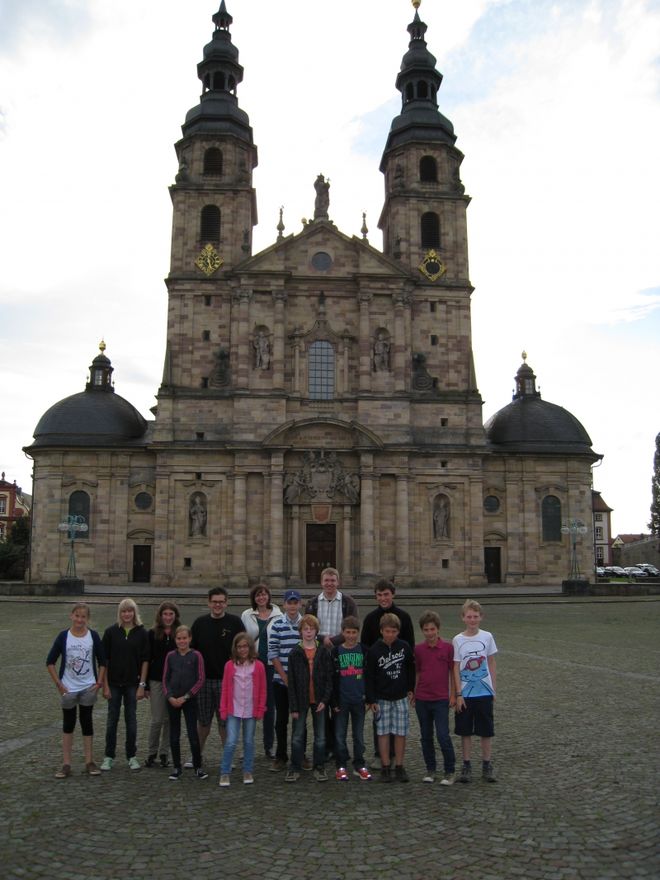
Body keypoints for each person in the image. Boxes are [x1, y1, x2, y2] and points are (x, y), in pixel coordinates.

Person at [46, 602, 106, 778]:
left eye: (83, 616)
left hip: (88, 687)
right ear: (71, 616)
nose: (80, 619)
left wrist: (99, 682)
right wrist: (59, 684)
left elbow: (103, 661)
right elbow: (50, 662)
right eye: (77, 616)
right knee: (68, 724)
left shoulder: (93, 636)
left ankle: (89, 761)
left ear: (87, 619)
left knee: (87, 723)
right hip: (68, 688)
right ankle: (66, 763)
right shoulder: (63, 636)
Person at [360, 578, 414, 767]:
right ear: (375, 596)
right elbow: (364, 646)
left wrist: (410, 685)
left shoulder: (405, 617)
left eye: (386, 594)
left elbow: (410, 650)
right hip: (379, 677)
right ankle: (380, 754)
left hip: (398, 676)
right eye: (379, 595)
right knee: (380, 719)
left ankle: (395, 755)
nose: (383, 598)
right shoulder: (370, 619)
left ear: (393, 594)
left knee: (398, 721)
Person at [305, 567, 358, 759]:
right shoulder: (312, 604)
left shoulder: (348, 602)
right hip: (317, 658)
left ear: (338, 582)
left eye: (332, 581)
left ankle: (338, 746)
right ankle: (326, 745)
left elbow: (352, 626)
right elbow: (307, 627)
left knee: (338, 704)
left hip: (341, 657)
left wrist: (332, 641)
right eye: (326, 580)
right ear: (321, 582)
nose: (329, 584)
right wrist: (321, 638)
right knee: (321, 703)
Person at [190, 586, 245, 759]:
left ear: (227, 603)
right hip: (203, 681)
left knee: (225, 722)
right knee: (203, 722)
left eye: (221, 602)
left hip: (227, 681)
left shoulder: (235, 623)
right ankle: (196, 755)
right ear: (209, 603)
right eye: (214, 602)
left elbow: (243, 650)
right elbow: (192, 652)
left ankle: (228, 755)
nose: (218, 605)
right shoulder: (199, 623)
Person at [365, 612, 415, 783]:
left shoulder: (404, 647)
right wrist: (371, 699)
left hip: (400, 696)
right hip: (382, 698)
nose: (390, 634)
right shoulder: (373, 651)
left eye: (394, 631)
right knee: (383, 733)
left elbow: (410, 668)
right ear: (381, 631)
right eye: (387, 631)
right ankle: (385, 766)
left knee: (401, 732)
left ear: (398, 631)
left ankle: (399, 766)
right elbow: (369, 676)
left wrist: (410, 688)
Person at [100, 598, 149, 772]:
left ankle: (132, 756)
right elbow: (104, 661)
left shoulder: (142, 633)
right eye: (124, 611)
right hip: (113, 682)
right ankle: (109, 756)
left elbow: (145, 661)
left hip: (132, 683)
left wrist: (142, 685)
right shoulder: (111, 632)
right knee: (112, 720)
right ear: (119, 613)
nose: (127, 614)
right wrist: (104, 685)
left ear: (135, 613)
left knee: (131, 720)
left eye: (130, 611)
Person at [453, 599, 498, 783]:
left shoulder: (487, 637)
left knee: (486, 730)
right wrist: (458, 693)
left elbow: (491, 662)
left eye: (475, 616)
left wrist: (493, 688)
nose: (472, 620)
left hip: (484, 691)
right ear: (463, 618)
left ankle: (487, 764)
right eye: (469, 616)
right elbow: (455, 667)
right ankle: (466, 764)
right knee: (465, 731)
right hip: (465, 694)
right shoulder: (458, 640)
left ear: (481, 617)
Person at [285, 614, 333, 783]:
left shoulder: (323, 652)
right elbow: (291, 682)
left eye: (311, 629)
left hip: (319, 700)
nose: (308, 632)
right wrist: (293, 707)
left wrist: (325, 700)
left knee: (320, 736)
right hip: (301, 700)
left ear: (316, 631)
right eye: (305, 629)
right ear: (300, 632)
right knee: (297, 735)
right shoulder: (295, 653)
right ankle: (295, 767)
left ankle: (319, 766)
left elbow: (329, 679)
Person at [218, 633, 267, 786]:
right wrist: (223, 709)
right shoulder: (229, 665)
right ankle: (225, 772)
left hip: (251, 710)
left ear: (250, 647)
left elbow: (263, 689)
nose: (242, 649)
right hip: (234, 708)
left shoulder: (258, 666)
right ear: (235, 649)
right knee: (231, 741)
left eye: (245, 646)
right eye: (239, 647)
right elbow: (225, 688)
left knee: (248, 741)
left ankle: (247, 770)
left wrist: (260, 709)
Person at [414, 610, 456, 784]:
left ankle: (450, 770)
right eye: (426, 630)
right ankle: (430, 769)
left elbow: (453, 673)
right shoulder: (419, 649)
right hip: (422, 698)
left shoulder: (448, 648)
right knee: (425, 736)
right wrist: (414, 692)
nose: (430, 633)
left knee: (443, 735)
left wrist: (453, 694)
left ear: (438, 629)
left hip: (440, 699)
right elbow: (417, 672)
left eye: (432, 629)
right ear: (422, 631)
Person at [162, 625, 208, 781]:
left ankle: (197, 766)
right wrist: (169, 696)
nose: (182, 641)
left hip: (189, 700)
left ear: (190, 639)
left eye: (184, 638)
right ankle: (176, 766)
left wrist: (187, 696)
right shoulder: (170, 656)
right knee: (174, 735)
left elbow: (201, 679)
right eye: (179, 638)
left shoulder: (196, 656)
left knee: (192, 734)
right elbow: (165, 678)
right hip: (173, 699)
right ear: (175, 640)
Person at [241, 584, 281, 758]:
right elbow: (242, 639)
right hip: (253, 665)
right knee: (248, 704)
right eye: (258, 595)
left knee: (270, 707)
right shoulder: (246, 615)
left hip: (272, 665)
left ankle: (268, 745)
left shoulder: (279, 615)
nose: (262, 597)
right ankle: (246, 746)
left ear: (269, 597)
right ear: (254, 598)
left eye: (264, 594)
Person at [331, 616, 371, 781]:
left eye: (354, 632)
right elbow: (332, 679)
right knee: (340, 735)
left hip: (359, 699)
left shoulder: (364, 650)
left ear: (358, 633)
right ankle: (340, 765)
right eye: (348, 632)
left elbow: (369, 676)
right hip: (342, 700)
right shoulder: (335, 651)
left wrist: (369, 697)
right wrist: (333, 701)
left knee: (359, 735)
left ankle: (359, 763)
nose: (351, 636)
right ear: (342, 633)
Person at [268, 589, 304, 772]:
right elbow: (272, 653)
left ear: (299, 604)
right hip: (280, 681)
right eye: (289, 602)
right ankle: (281, 756)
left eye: (295, 602)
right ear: (284, 604)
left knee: (301, 721)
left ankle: (301, 754)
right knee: (281, 720)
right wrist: (284, 677)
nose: (292, 605)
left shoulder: (306, 624)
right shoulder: (276, 624)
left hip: (301, 683)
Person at [144, 601, 181, 768]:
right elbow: (146, 659)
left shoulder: (180, 633)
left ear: (175, 616)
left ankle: (165, 753)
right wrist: (144, 685)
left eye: (171, 614)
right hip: (157, 680)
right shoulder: (151, 634)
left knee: (169, 720)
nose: (168, 617)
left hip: (174, 681)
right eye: (165, 614)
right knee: (157, 719)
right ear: (160, 616)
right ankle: (152, 752)